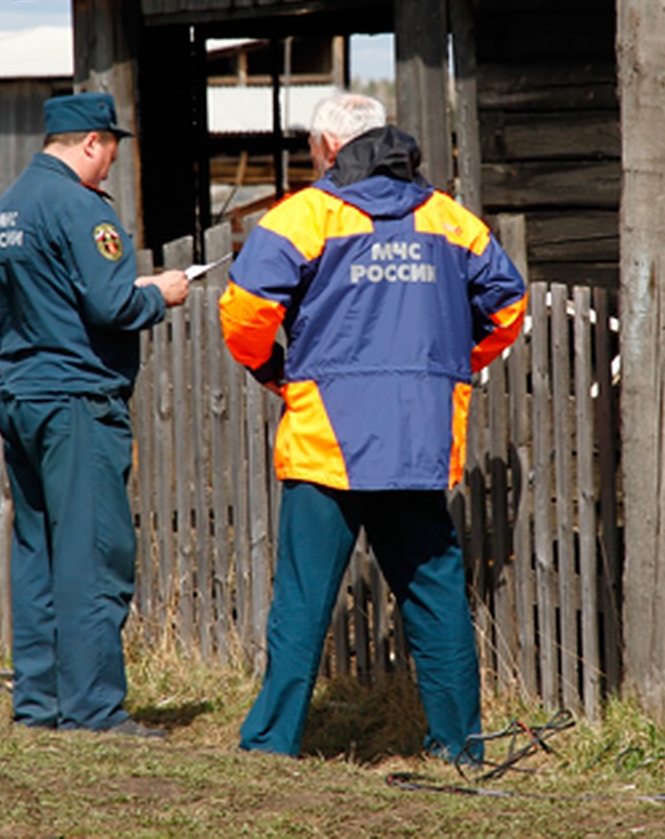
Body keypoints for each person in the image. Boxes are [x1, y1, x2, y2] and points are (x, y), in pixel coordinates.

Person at [218, 92, 527, 761]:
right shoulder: (453, 222)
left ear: (330, 149)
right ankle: (459, 749)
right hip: (418, 440)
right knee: (436, 595)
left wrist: (276, 371)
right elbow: (509, 307)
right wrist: (446, 367)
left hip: (326, 441)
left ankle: (272, 745)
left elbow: (243, 314)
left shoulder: (303, 217)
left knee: (303, 598)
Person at [0, 91, 189, 737]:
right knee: (92, 554)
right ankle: (95, 709)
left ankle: (39, 704)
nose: (111, 166)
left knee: (37, 551)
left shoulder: (7, 207)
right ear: (92, 143)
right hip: (77, 400)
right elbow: (110, 307)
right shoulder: (78, 206)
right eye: (111, 151)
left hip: (22, 393)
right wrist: (161, 295)